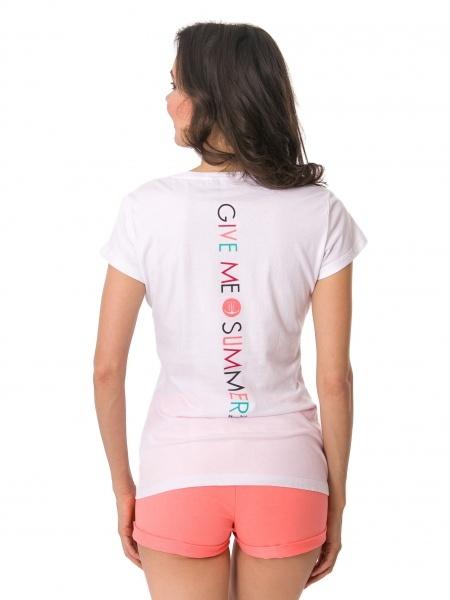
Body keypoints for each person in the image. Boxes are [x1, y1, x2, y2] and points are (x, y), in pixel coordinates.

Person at [93, 21, 368, 600]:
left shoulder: (145, 210)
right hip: (288, 475)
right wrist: (336, 500)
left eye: (177, 84)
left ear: (212, 97)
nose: (169, 100)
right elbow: (335, 379)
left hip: (178, 473)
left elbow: (106, 370)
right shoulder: (320, 211)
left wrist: (123, 488)